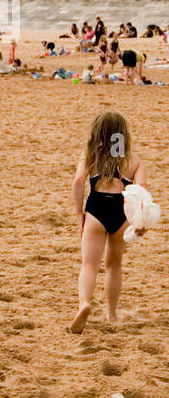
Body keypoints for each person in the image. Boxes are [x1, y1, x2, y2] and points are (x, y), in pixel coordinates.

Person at [70, 111, 148, 333]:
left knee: (89, 265)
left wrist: (79, 214)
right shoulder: (133, 160)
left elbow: (77, 181)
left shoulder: (90, 156)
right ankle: (111, 315)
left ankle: (85, 303)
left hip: (96, 210)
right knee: (114, 265)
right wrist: (139, 221)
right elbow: (141, 191)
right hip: (122, 212)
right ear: (123, 135)